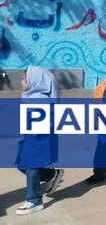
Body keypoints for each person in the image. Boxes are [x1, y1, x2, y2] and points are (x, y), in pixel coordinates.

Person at [15, 67, 64, 215]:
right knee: (21, 165)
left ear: (36, 81)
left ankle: (34, 200)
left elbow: (48, 119)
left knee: (31, 169)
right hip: (29, 137)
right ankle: (51, 175)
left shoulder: (42, 99)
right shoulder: (29, 95)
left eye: (25, 79)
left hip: (39, 138)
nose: (22, 81)